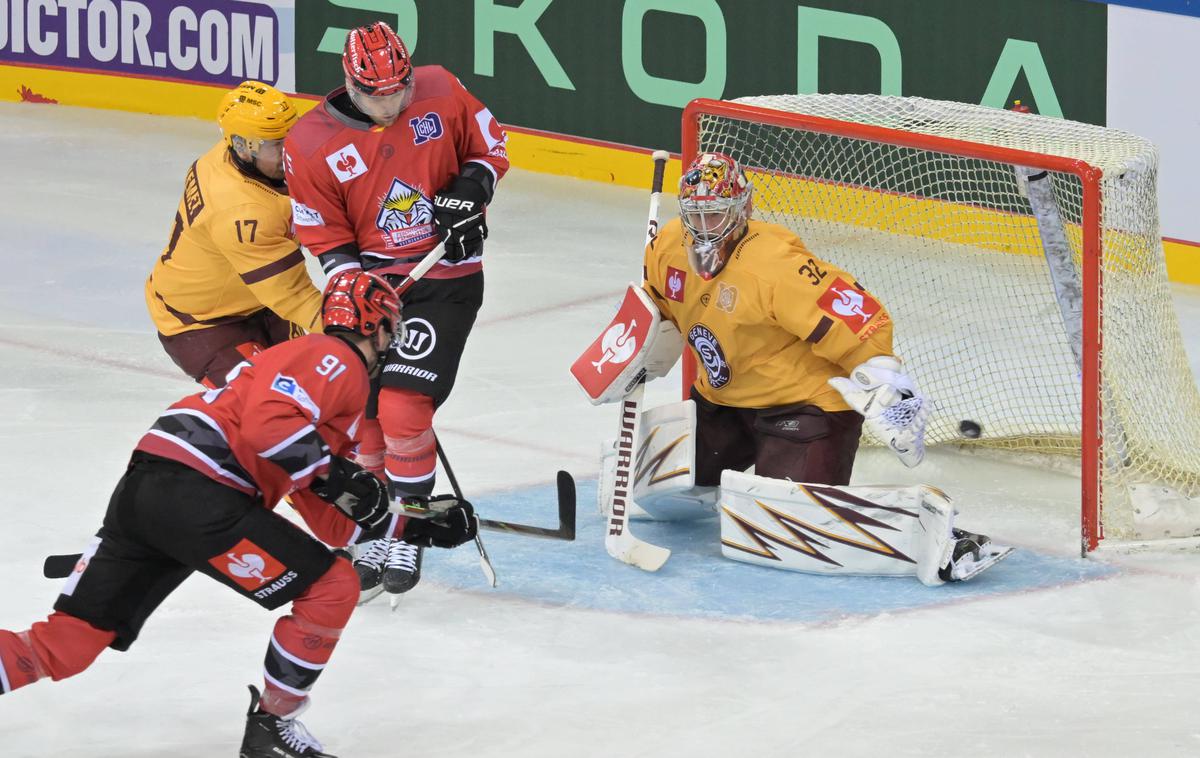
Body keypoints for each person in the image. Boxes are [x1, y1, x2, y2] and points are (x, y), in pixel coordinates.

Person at [0, 272, 478, 757]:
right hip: (200, 490)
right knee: (332, 586)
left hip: (151, 490)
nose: (391, 345)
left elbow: (327, 517)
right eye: (390, 332)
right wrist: (344, 479)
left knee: (67, 644)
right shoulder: (335, 359)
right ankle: (273, 727)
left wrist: (410, 525)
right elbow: (270, 426)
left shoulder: (317, 397)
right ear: (375, 326)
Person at [578, 152, 1008, 583]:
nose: (704, 229)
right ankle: (721, 484)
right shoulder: (667, 246)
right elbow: (659, 309)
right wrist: (637, 351)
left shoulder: (774, 266)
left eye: (717, 215)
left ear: (744, 209)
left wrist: (885, 382)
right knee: (656, 489)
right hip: (722, 403)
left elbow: (859, 316)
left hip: (803, 408)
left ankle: (936, 539)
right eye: (696, 215)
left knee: (780, 528)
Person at [282, 20, 509, 600]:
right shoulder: (310, 142)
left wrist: (470, 191)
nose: (389, 102)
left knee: (406, 406)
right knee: (365, 415)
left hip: (446, 277)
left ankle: (412, 529)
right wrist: (353, 285)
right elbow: (323, 233)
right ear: (348, 83)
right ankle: (379, 526)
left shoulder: (439, 87)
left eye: (397, 90)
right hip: (371, 287)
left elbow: (490, 147)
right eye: (374, 93)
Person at [147, 80, 323, 389]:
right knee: (268, 406)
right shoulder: (241, 211)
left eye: (289, 137)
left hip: (258, 298)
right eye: (275, 145)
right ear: (242, 146)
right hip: (202, 322)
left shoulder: (235, 155)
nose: (288, 151)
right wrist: (352, 331)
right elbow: (293, 296)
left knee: (316, 388)